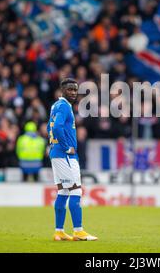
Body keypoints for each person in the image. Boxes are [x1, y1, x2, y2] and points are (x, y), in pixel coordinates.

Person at [47, 78, 97, 241]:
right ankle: (78, 230)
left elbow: (49, 127)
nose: (74, 93)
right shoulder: (64, 106)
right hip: (65, 154)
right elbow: (56, 127)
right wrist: (66, 146)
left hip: (57, 153)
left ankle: (59, 231)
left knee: (63, 191)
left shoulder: (56, 106)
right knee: (76, 190)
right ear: (62, 90)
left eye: (75, 90)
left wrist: (53, 143)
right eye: (70, 89)